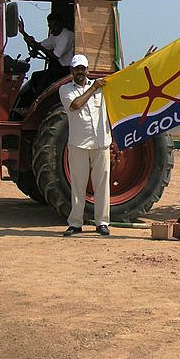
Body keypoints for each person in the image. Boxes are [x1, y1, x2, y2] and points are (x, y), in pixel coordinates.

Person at [59, 54, 112, 237]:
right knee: (78, 186)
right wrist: (94, 88)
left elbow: (125, 79)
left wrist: (143, 62)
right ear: (71, 71)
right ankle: (75, 223)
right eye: (77, 69)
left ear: (87, 70)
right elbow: (75, 105)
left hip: (101, 142)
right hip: (79, 144)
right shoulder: (66, 90)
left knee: (102, 185)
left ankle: (102, 222)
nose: (80, 72)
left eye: (82, 68)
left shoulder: (101, 86)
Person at [16, 13, 75, 108]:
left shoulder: (66, 36)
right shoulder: (54, 36)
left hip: (67, 69)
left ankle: (37, 104)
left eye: (55, 25)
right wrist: (23, 32)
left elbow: (55, 56)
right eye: (50, 26)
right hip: (59, 67)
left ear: (61, 24)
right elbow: (38, 45)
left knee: (46, 77)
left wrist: (39, 48)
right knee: (35, 76)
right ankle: (26, 105)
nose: (52, 28)